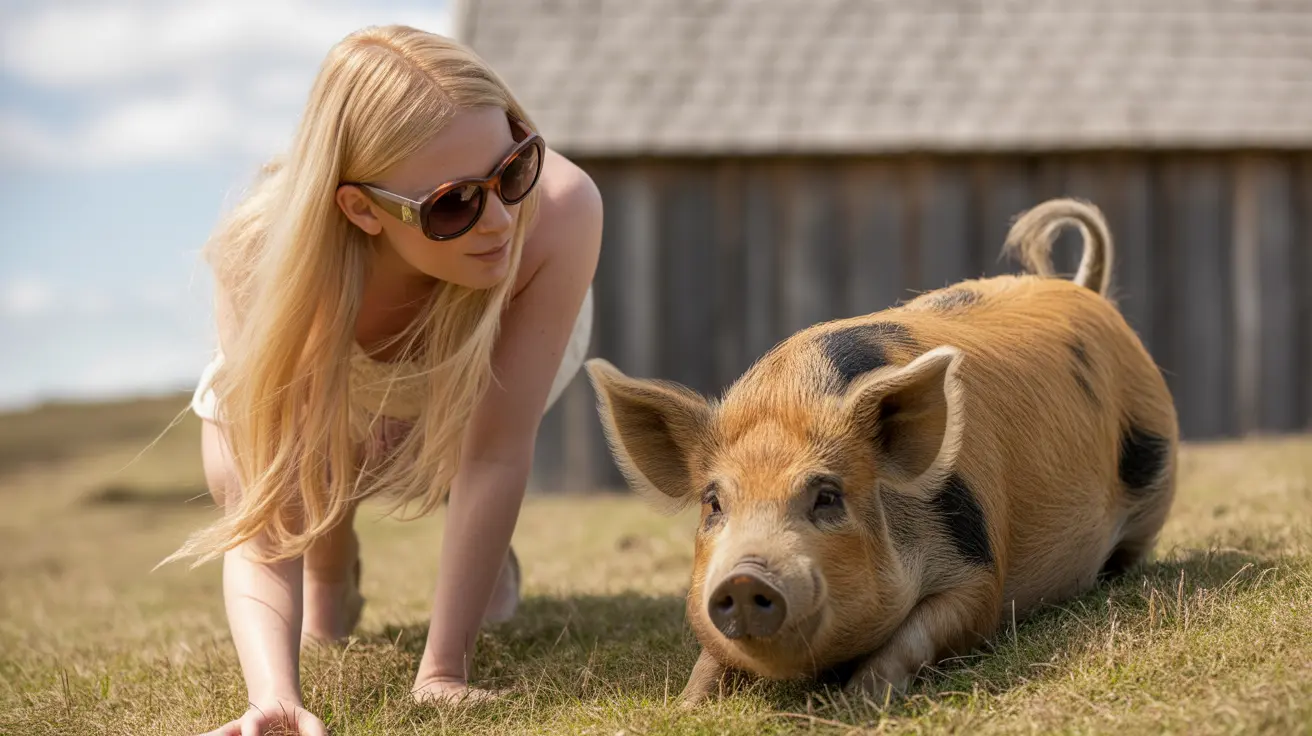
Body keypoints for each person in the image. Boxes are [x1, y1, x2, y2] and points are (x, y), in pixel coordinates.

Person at [164, 24, 602, 736]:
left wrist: (443, 673)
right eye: (453, 204)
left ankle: (480, 566)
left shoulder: (558, 212)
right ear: (362, 208)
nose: (498, 220)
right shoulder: (261, 259)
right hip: (335, 369)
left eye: (513, 168)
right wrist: (272, 697)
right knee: (281, 458)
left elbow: (495, 449)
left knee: (461, 442)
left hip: (494, 336)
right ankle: (330, 586)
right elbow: (272, 501)